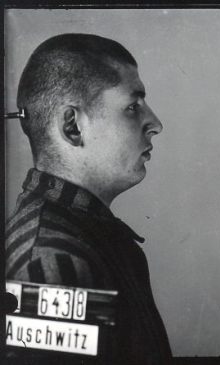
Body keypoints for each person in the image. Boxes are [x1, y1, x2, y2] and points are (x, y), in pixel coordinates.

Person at [4, 33, 170, 363]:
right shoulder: (51, 265)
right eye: (133, 107)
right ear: (73, 127)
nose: (155, 124)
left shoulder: (81, 241)